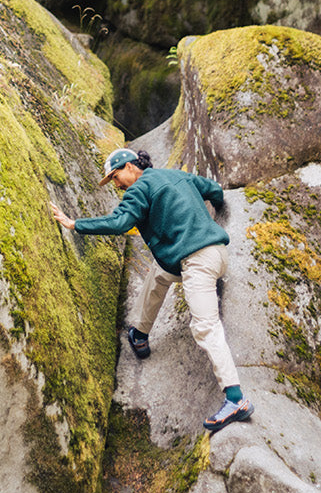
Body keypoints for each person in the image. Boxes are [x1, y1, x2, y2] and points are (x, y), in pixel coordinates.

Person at [50, 147, 254, 433]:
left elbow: (120, 222)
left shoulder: (137, 190)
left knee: (205, 327)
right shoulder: (174, 175)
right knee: (159, 274)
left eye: (116, 175)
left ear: (132, 166)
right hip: (217, 254)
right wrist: (218, 210)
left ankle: (236, 400)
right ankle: (140, 333)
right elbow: (212, 189)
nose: (117, 184)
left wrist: (76, 224)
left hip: (196, 263)